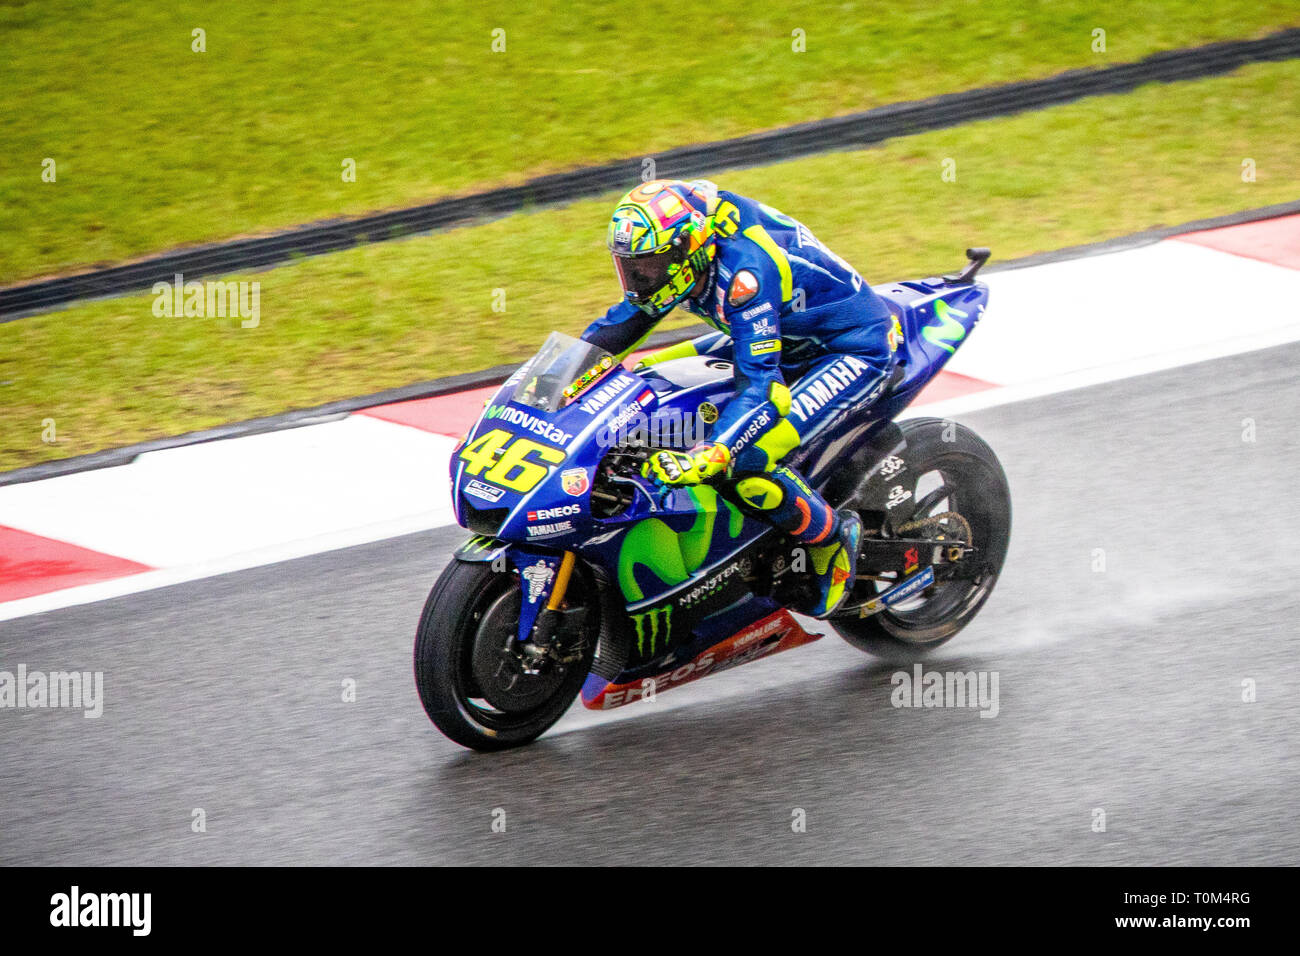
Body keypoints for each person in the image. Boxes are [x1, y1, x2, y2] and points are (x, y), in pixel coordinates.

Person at [582, 179, 897, 617]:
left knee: (744, 461)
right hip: (781, 338)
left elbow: (763, 390)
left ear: (687, 249)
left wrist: (713, 452)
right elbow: (615, 332)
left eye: (650, 266)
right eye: (631, 266)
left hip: (846, 349)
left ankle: (833, 541)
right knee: (648, 383)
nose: (640, 279)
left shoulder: (746, 275)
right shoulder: (687, 249)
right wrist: (545, 387)